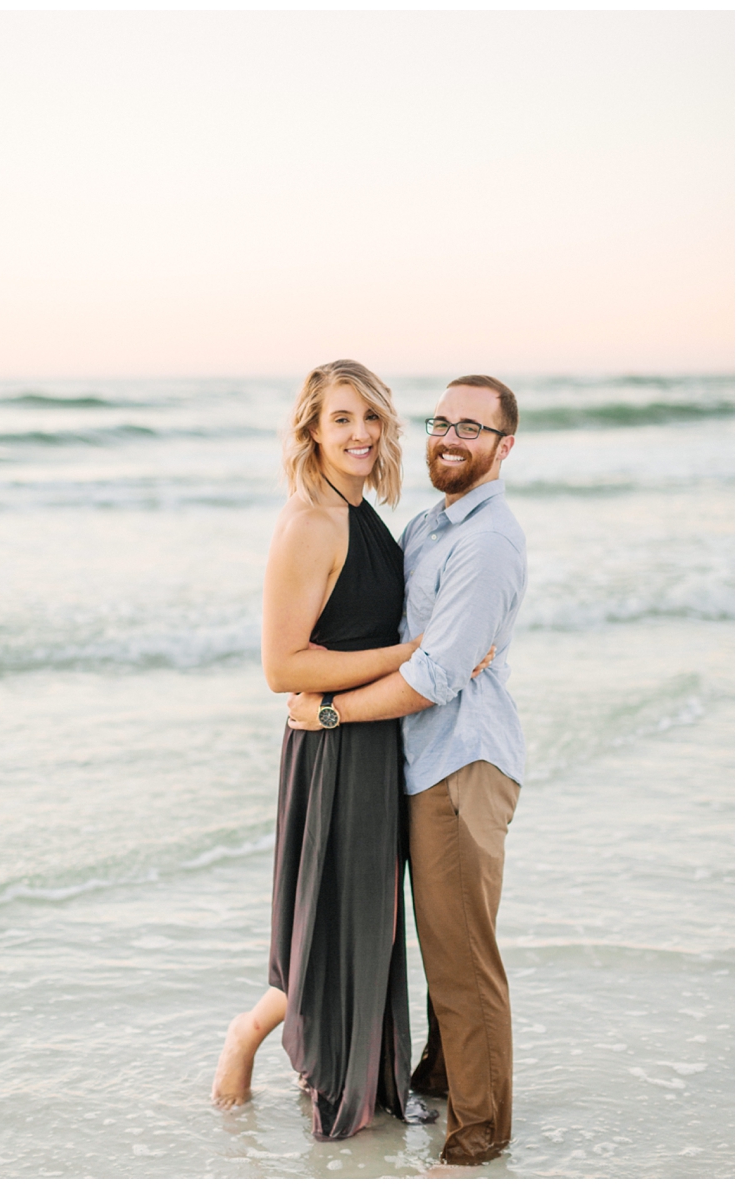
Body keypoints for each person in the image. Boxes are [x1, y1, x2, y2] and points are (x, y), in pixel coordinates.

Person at [211, 360, 492, 1139]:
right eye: (342, 419)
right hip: (331, 744)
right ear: (312, 429)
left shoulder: (359, 508)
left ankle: (358, 1083)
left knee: (362, 919)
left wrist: (453, 643)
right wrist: (415, 652)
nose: (360, 433)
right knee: (329, 921)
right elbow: (283, 666)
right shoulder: (311, 519)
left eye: (371, 416)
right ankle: (249, 1034)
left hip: (372, 734)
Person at [287, 374, 526, 1166]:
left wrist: (329, 711)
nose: (451, 437)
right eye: (442, 422)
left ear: (504, 445)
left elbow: (433, 675)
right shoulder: (428, 526)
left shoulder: (486, 540)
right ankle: (443, 1082)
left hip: (462, 761)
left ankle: (479, 1137)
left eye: (473, 428)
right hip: (423, 760)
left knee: (461, 958)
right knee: (441, 946)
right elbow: (401, 638)